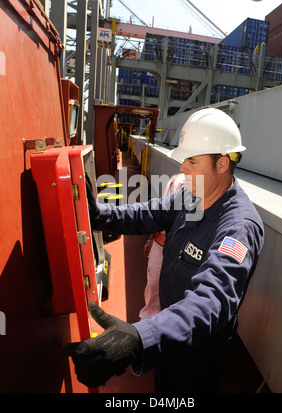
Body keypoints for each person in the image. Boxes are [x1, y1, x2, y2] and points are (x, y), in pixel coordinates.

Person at [64, 108, 264, 393]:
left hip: (199, 354)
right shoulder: (192, 195)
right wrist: (100, 216)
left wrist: (140, 339)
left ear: (222, 164)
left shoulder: (238, 226)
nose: (182, 168)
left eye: (193, 161)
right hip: (169, 337)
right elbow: (148, 213)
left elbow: (212, 300)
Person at [140, 173, 184, 320]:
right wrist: (151, 240)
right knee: (153, 286)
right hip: (160, 243)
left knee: (174, 290)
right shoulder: (174, 179)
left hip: (180, 247)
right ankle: (147, 321)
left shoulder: (202, 185)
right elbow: (160, 213)